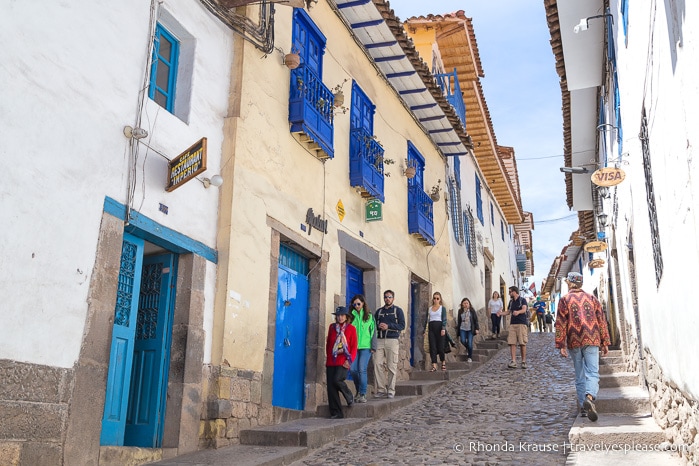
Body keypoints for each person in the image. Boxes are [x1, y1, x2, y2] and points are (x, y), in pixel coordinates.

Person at [555, 272, 610, 422]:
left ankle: (584, 409)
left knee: (580, 375)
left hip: (574, 340)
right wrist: (605, 341)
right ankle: (590, 397)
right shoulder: (592, 298)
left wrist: (561, 344)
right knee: (593, 372)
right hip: (592, 338)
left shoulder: (564, 300)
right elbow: (601, 320)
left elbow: (560, 323)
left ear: (569, 283)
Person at [325, 306, 358, 419]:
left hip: (343, 360)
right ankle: (336, 412)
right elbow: (329, 343)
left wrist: (349, 360)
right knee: (331, 387)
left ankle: (349, 395)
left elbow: (353, 347)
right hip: (331, 360)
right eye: (338, 315)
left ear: (347, 317)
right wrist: (329, 356)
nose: (340, 317)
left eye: (342, 315)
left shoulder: (351, 329)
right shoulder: (332, 327)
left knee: (337, 380)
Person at [373, 290, 405, 399]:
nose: (387, 299)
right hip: (380, 340)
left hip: (392, 340)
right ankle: (381, 389)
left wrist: (389, 326)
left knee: (391, 366)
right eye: (386, 297)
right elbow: (374, 325)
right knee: (377, 364)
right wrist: (379, 326)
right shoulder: (379, 312)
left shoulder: (398, 311)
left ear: (393, 298)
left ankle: (391, 390)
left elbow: (402, 325)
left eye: (390, 297)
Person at [349, 294, 376, 403]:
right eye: (354, 304)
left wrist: (373, 346)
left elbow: (374, 332)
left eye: (358, 304)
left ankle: (363, 394)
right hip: (354, 347)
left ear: (363, 303)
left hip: (366, 347)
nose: (356, 306)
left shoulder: (369, 316)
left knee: (362, 369)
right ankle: (358, 390)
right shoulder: (350, 316)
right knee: (353, 369)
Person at [501, 285, 529, 369]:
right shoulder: (511, 302)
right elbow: (509, 311)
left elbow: (524, 309)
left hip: (521, 323)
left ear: (514, 292)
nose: (509, 293)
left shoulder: (522, 300)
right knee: (512, 342)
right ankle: (513, 361)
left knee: (522, 343)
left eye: (510, 292)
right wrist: (500, 313)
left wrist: (518, 312)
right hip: (513, 324)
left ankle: (523, 361)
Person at [424, 292, 447, 371]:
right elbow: (426, 320)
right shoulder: (430, 309)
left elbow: (444, 319)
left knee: (440, 347)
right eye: (434, 298)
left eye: (437, 298)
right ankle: (434, 365)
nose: (436, 300)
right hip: (431, 328)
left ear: (440, 299)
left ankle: (443, 362)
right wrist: (425, 331)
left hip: (439, 327)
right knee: (432, 347)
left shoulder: (442, 308)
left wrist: (443, 328)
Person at [456, 297, 479, 362]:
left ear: (469, 304)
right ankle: (468, 348)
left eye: (467, 303)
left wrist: (477, 328)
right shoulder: (460, 311)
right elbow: (459, 320)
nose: (466, 304)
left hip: (470, 329)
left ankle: (470, 357)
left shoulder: (472, 311)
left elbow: (475, 320)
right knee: (462, 340)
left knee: (469, 343)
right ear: (462, 304)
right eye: (464, 303)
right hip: (462, 328)